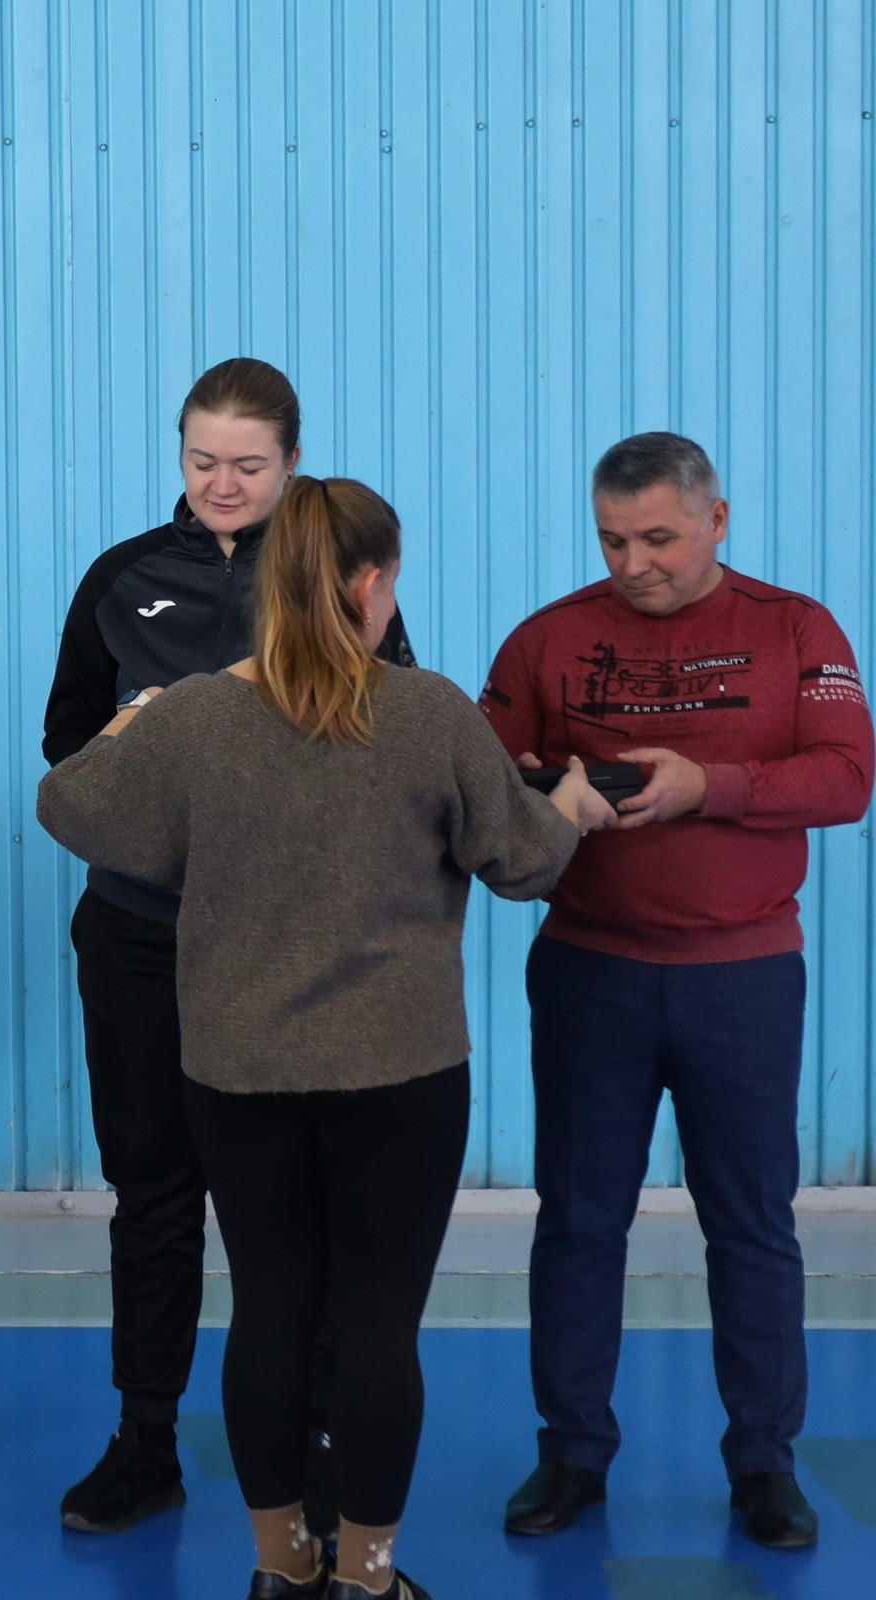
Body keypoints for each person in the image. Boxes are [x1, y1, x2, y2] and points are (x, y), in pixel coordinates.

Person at [37, 475, 608, 1599]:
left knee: (268, 1310)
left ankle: (279, 1565)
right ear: (372, 582)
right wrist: (573, 809)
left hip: (238, 1069)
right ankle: (368, 1575)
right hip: (399, 1071)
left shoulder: (196, 716)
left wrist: (131, 726)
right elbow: (523, 862)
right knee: (378, 1325)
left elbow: (72, 805)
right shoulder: (429, 712)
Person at [38, 357, 416, 1536]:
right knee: (153, 1192)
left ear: (292, 463)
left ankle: (310, 1445)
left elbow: (396, 737)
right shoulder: (122, 578)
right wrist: (133, 734)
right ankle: (144, 1441)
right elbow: (65, 748)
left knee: (296, 1209)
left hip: (289, 947)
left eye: (249, 464)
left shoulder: (337, 580)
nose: (223, 483)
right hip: (142, 935)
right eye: (203, 460)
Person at [482, 433, 875, 1551]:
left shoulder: (796, 629)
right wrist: (555, 789)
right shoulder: (549, 637)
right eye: (613, 541)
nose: (634, 564)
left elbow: (848, 775)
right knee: (577, 1222)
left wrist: (710, 785)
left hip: (743, 976)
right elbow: (476, 778)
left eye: (658, 538)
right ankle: (571, 1454)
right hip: (590, 970)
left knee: (752, 1226)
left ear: (717, 519)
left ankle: (765, 1464)